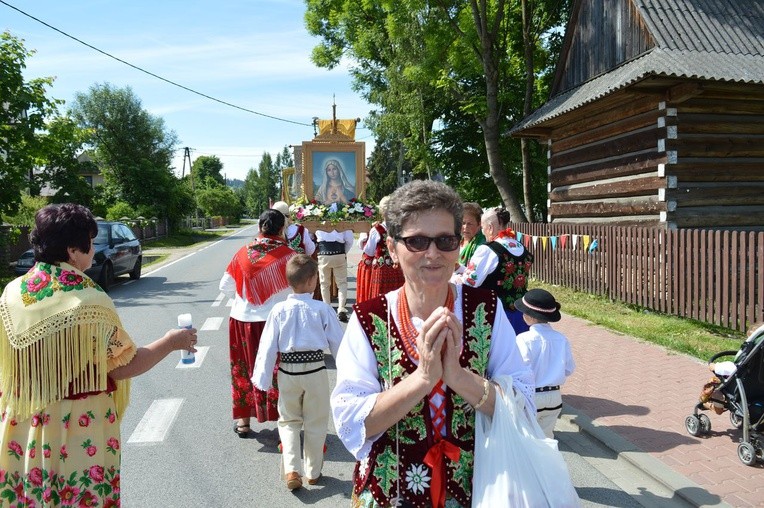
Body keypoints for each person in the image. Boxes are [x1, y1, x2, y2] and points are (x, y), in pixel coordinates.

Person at [331, 180, 535, 507]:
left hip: (478, 490)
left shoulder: (485, 309)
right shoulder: (369, 319)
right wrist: (422, 379)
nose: (432, 254)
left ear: (459, 244)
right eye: (417, 241)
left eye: (445, 240)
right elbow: (354, 422)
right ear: (393, 248)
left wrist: (458, 376)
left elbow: (522, 406)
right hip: (390, 493)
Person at [0, 203, 197, 506]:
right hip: (76, 428)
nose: (94, 249)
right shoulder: (87, 301)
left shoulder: (12, 293)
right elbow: (123, 365)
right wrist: (171, 342)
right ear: (72, 249)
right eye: (91, 241)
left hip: (22, 423)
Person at [252, 254, 344, 490]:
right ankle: (313, 472)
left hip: (288, 371)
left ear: (288, 281)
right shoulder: (322, 309)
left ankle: (292, 468)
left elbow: (267, 346)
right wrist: (348, 374)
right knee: (316, 420)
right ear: (314, 280)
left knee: (289, 421)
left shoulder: (279, 310)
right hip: (315, 370)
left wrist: (262, 378)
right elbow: (339, 345)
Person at [219, 209, 297, 438]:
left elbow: (225, 286)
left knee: (243, 369)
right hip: (276, 322)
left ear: (259, 227)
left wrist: (245, 302)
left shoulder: (242, 254)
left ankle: (244, 423)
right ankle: (284, 420)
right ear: (282, 229)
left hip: (242, 322)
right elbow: (298, 289)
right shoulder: (290, 256)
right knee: (279, 371)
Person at [458, 207, 533, 334]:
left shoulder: (487, 250)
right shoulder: (522, 247)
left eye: (482, 227)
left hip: (495, 315)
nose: (482, 231)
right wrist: (460, 267)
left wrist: (454, 277)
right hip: (522, 315)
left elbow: (470, 281)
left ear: (491, 227)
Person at [514, 289, 576, 439]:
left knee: (526, 438)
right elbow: (569, 368)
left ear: (528, 316)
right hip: (554, 397)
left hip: (531, 396)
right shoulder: (561, 339)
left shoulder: (523, 339)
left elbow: (520, 368)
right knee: (546, 439)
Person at [355, 196, 403, 304]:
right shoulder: (400, 228)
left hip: (382, 268)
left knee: (381, 296)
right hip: (398, 266)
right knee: (397, 295)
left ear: (382, 212)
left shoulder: (377, 230)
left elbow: (369, 251)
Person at [315, 227, 354, 322]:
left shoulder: (318, 223)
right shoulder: (343, 224)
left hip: (323, 253)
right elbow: (350, 241)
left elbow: (311, 236)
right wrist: (344, 252)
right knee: (342, 283)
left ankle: (326, 307)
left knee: (324, 283)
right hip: (339, 252)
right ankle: (341, 308)